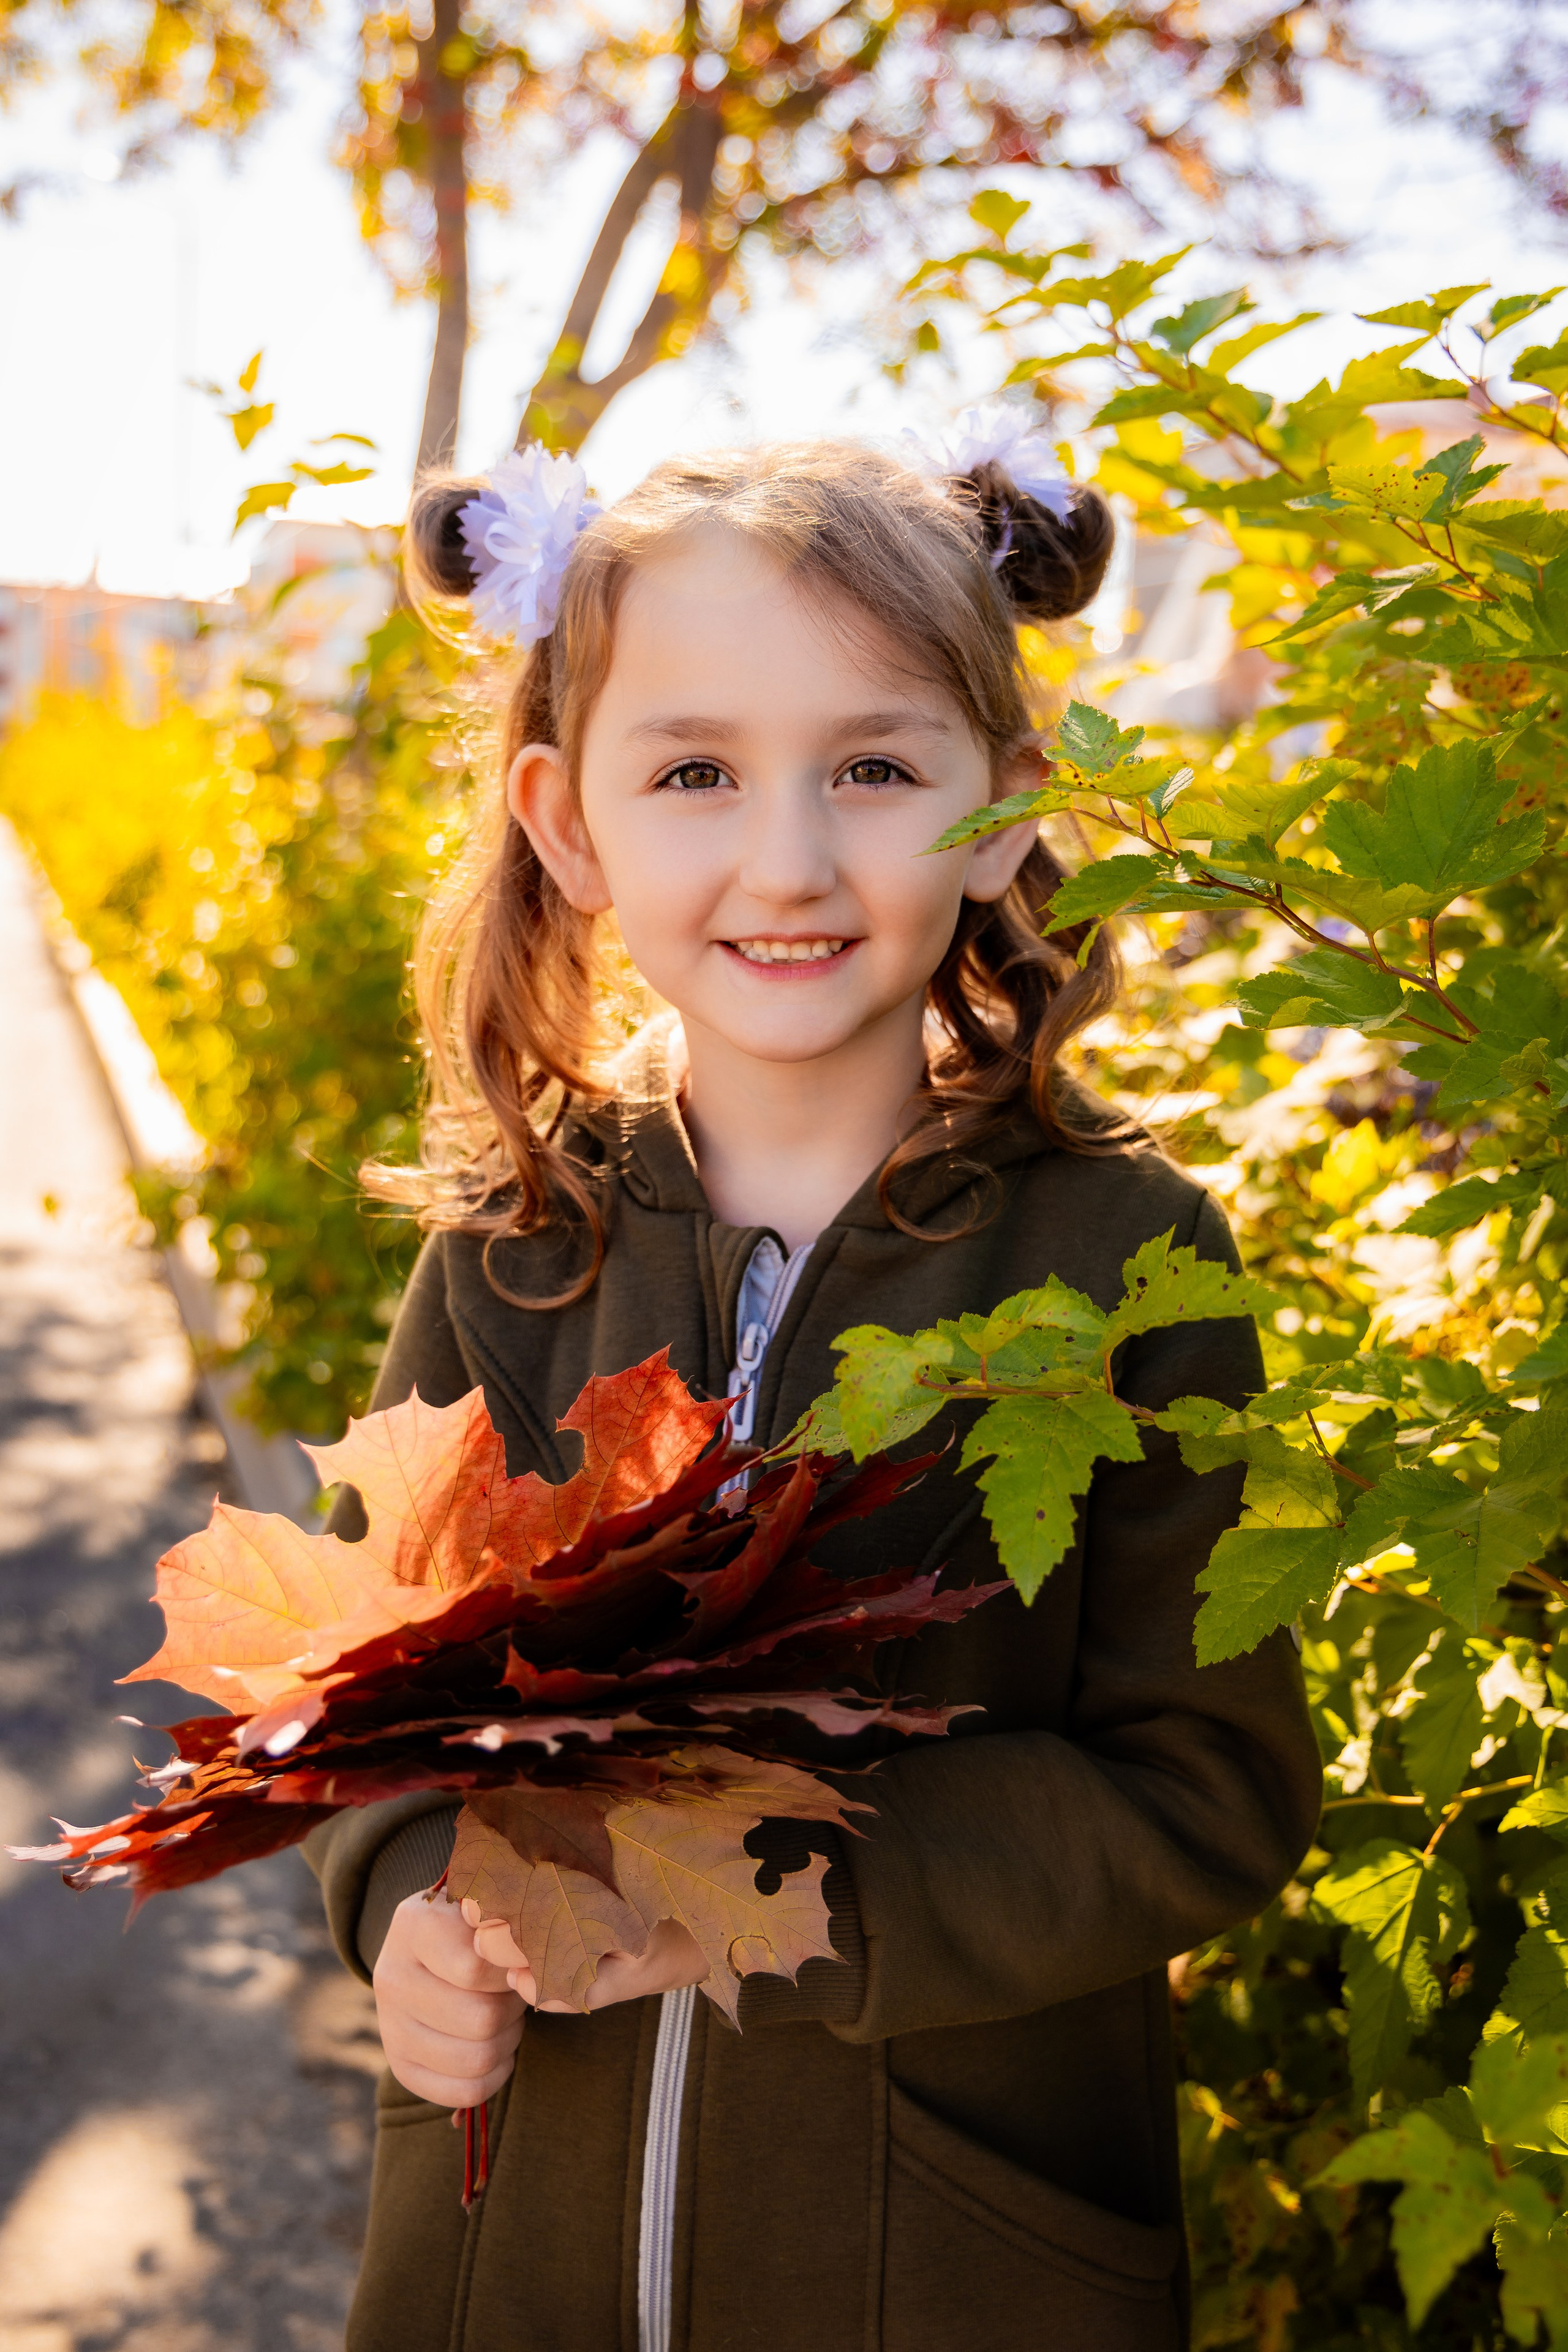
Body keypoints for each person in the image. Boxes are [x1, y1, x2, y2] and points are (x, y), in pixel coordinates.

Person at [303, 423, 1322, 2352]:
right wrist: (410, 1908)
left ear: (1006, 804)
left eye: (871, 767)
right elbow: (377, 1713)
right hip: (510, 2265)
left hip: (954, 2266)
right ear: (571, 822)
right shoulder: (516, 1256)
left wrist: (779, 1889)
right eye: (696, 772)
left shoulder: (1126, 1265)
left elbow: (1212, 1785)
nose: (788, 857)